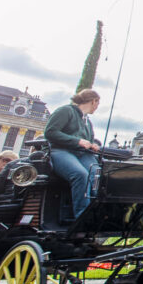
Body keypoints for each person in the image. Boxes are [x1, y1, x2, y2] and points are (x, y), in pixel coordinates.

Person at [44, 88, 101, 220]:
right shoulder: (65, 111)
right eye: (97, 104)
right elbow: (50, 132)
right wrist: (78, 141)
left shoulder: (87, 122)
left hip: (82, 154)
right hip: (61, 151)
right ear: (93, 101)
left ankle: (96, 213)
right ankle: (82, 217)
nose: (97, 107)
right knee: (80, 174)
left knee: (97, 176)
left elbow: (88, 140)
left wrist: (93, 145)